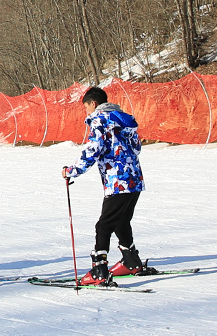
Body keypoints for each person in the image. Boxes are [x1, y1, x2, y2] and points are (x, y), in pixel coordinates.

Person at [62, 87, 155, 286]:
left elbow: (93, 149)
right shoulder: (123, 119)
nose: (86, 111)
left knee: (103, 225)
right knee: (121, 221)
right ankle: (131, 261)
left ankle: (99, 270)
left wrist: (72, 171)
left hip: (118, 181)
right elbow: (137, 147)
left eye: (86, 106)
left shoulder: (100, 120)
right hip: (134, 179)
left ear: (93, 104)